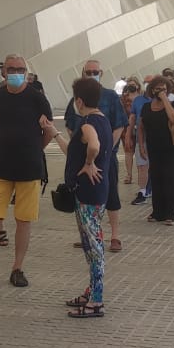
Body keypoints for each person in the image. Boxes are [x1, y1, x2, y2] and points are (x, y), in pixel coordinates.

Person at [0, 54, 57, 288]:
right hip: (0, 168)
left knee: (24, 220)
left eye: (20, 69)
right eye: (11, 69)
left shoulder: (37, 99)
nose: (16, 72)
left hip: (29, 170)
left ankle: (18, 268)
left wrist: (34, 149)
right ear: (3, 71)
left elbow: (49, 130)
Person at [64, 59, 127, 252]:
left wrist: (108, 149)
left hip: (105, 158)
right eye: (88, 72)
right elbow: (69, 123)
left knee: (111, 195)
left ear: (102, 73)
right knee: (83, 197)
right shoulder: (76, 99)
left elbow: (119, 125)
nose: (92, 75)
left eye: (95, 71)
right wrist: (78, 145)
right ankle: (87, 233)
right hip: (84, 160)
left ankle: (115, 235)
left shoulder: (110, 97)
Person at [62, 77, 110, 318]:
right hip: (97, 191)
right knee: (91, 245)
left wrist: (90, 162)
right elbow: (77, 153)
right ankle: (91, 291)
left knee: (94, 247)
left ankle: (97, 300)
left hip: (89, 193)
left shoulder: (88, 123)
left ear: (79, 100)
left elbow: (93, 145)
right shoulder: (103, 120)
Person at [138, 76, 174, 225]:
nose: (160, 92)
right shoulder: (146, 107)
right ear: (152, 90)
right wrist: (141, 145)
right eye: (157, 89)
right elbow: (141, 127)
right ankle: (157, 212)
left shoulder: (173, 104)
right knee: (156, 177)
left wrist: (165, 99)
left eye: (163, 89)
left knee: (169, 178)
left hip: (170, 147)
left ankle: (170, 214)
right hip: (153, 147)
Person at [119, 82, 141, 186]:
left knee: (138, 152)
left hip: (139, 128)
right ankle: (129, 175)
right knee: (128, 151)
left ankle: (138, 174)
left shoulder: (140, 98)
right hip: (127, 128)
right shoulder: (123, 100)